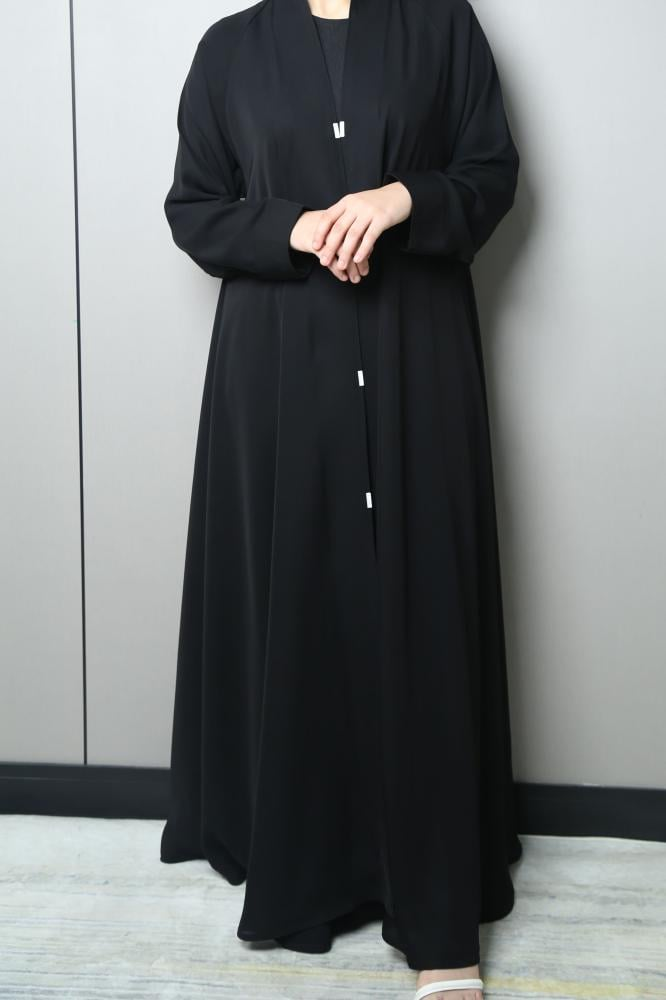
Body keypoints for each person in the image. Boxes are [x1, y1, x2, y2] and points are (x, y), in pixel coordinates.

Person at [160, 0, 523, 997]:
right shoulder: (229, 48)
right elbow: (194, 206)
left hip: (417, 352)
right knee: (303, 592)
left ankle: (436, 905)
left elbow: (490, 174)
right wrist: (294, 225)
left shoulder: (442, 27)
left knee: (420, 598)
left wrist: (402, 198)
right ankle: (309, 861)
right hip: (276, 367)